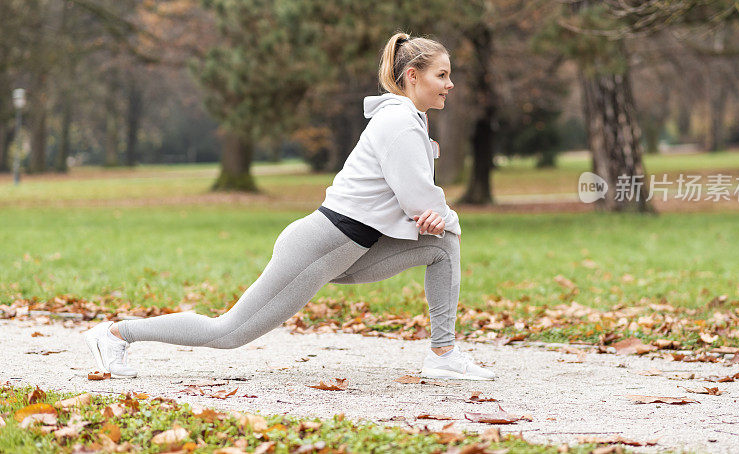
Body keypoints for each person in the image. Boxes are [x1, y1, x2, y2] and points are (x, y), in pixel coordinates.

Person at [84, 32, 496, 382]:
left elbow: (418, 202)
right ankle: (117, 335)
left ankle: (442, 356)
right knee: (228, 331)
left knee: (443, 245)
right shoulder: (400, 122)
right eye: (442, 75)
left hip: (352, 250)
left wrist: (436, 216)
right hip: (319, 247)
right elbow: (418, 199)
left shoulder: (410, 120)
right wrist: (437, 214)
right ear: (412, 76)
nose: (450, 84)